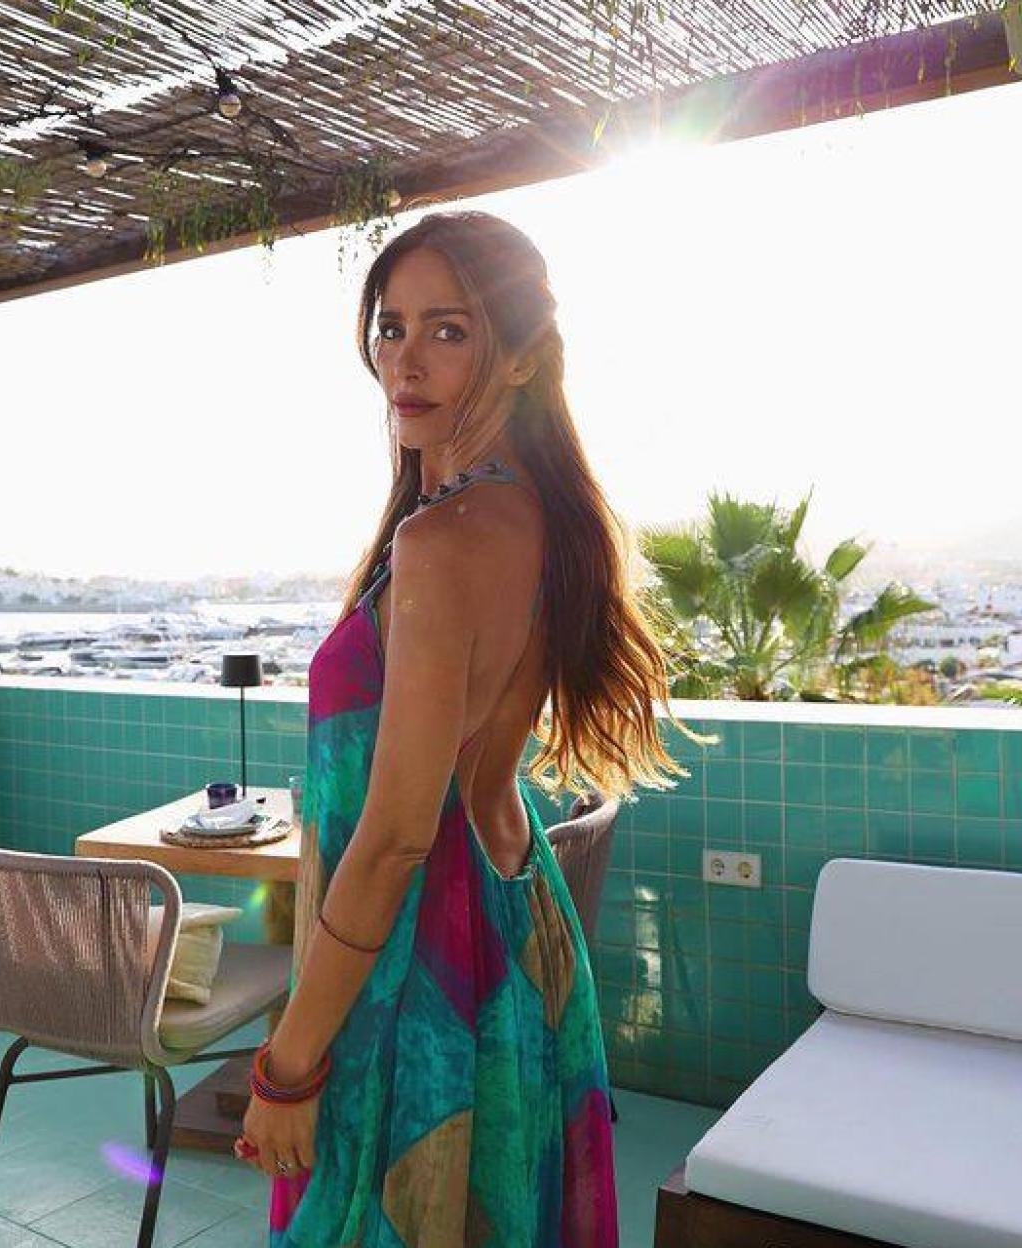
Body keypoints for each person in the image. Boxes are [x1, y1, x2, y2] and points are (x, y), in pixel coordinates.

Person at [236, 210, 699, 1245]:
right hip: (511, 926)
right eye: (391, 327)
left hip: (417, 961)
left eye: (449, 330)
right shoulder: (539, 516)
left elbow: (396, 836)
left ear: (525, 354)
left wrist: (287, 1065)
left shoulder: (443, 541)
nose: (406, 361)